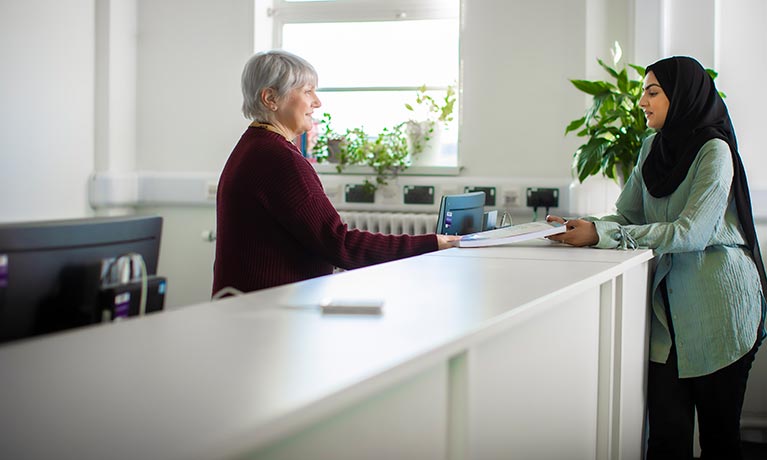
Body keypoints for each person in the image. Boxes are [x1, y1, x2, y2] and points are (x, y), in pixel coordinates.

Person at [547, 56, 766, 458]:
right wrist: (582, 225)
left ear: (680, 96)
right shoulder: (651, 147)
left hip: (719, 308)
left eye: (652, 92)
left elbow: (693, 231)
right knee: (665, 439)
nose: (642, 103)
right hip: (667, 317)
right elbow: (625, 215)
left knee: (719, 441)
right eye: (642, 93)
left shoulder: (715, 152)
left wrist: (605, 233)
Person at [213, 50, 459, 296]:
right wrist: (433, 243)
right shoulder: (276, 157)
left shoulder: (255, 145)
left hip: (253, 306)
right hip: (264, 313)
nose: (317, 102)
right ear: (270, 98)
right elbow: (340, 244)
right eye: (307, 91)